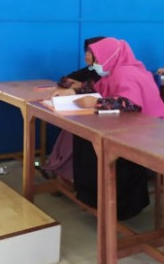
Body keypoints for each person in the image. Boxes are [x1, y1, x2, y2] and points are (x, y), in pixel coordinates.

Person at [55, 37, 164, 220]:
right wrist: (73, 92)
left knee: (105, 149)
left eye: (97, 59)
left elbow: (129, 103)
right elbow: (94, 87)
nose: (94, 63)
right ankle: (93, 197)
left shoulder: (127, 73)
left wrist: (96, 102)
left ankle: (119, 206)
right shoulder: (113, 71)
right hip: (128, 126)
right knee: (84, 139)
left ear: (108, 56)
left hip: (148, 130)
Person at [42, 37, 105, 182]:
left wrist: (80, 87)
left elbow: (99, 92)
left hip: (105, 117)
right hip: (92, 112)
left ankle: (59, 170)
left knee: (76, 130)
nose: (86, 56)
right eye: (86, 52)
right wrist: (78, 86)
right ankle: (59, 170)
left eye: (90, 52)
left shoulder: (107, 72)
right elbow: (65, 80)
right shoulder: (91, 70)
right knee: (72, 128)